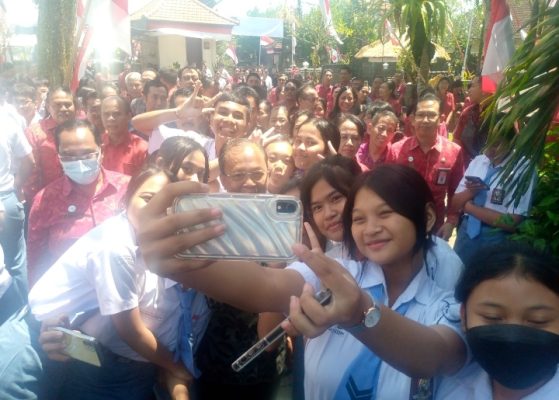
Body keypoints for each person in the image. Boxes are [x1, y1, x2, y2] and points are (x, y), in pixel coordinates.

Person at [133, 164, 467, 400]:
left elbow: (434, 357)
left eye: (385, 213)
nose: (371, 228)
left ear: (426, 217)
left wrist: (360, 313)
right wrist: (176, 262)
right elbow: (265, 285)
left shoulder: (448, 304)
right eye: (359, 218)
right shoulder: (335, 273)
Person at [28, 166, 194, 400]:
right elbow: (130, 330)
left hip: (98, 353)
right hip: (56, 344)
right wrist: (175, 367)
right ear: (126, 200)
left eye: (166, 203)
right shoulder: (117, 247)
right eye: (148, 198)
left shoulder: (148, 240)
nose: (156, 209)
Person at [193, 138, 283, 399]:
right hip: (216, 360)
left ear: (268, 171)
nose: (249, 182)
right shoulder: (209, 222)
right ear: (222, 178)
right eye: (238, 175)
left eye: (257, 173)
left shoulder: (282, 220)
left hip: (267, 361)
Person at [435, 243, 559, 400]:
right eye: (492, 317)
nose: (513, 338)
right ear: (464, 316)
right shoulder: (450, 387)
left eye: (538, 320)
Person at [26, 119, 130, 286]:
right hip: (70, 292)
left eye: (87, 154)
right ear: (59, 157)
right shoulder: (45, 200)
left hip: (124, 286)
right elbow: (36, 257)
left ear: (101, 151)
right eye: (69, 156)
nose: (80, 162)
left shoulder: (127, 189)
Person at [388, 92, 464, 240]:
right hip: (402, 221)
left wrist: (451, 221)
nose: (425, 120)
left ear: (441, 119)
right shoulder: (397, 150)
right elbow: (388, 189)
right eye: (421, 115)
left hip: (436, 226)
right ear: (412, 119)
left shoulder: (454, 151)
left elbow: (456, 191)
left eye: (431, 115)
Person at [451, 135, 535, 267]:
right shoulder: (478, 161)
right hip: (466, 232)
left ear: (512, 142)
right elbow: (455, 204)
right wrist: (471, 192)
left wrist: (469, 207)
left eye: (496, 144)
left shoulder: (523, 168)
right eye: (487, 143)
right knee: (459, 274)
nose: (489, 150)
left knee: (489, 276)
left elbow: (512, 222)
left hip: (497, 237)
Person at [0, 108, 34, 309]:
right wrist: (16, 185)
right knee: (15, 262)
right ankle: (22, 313)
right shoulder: (6, 121)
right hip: (6, 197)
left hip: (5, 198)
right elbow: (29, 160)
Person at [23, 87, 76, 203]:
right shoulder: (35, 133)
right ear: (48, 107)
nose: (63, 109)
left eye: (68, 104)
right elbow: (31, 173)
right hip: (46, 199)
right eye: (58, 105)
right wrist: (36, 202)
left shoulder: (82, 130)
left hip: (79, 197)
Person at [100, 96, 147, 176]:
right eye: (106, 114)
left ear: (128, 117)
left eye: (116, 114)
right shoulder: (98, 145)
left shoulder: (141, 148)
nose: (110, 118)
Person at [453, 77, 487, 165]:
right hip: (467, 165)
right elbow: (456, 140)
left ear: (484, 89)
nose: (469, 90)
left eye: (472, 86)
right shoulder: (467, 113)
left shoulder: (499, 114)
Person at [356, 102, 397, 171]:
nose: (384, 134)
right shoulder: (357, 152)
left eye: (390, 130)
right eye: (381, 128)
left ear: (393, 135)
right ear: (369, 128)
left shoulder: (396, 158)